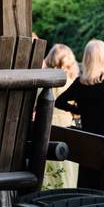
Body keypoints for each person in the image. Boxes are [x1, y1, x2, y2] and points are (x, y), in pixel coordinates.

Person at [55, 39, 104, 194]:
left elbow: (59, 102)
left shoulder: (80, 84)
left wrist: (80, 110)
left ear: (86, 59)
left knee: (92, 180)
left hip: (91, 140)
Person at [41, 44, 80, 190]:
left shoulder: (43, 83)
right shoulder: (70, 83)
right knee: (66, 166)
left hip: (45, 127)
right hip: (65, 127)